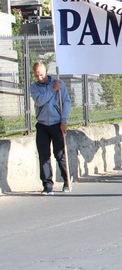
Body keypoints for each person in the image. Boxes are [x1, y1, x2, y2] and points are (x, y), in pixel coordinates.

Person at [31, 62, 71, 195]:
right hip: (42, 124)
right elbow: (39, 101)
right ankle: (47, 184)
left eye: (42, 74)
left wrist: (64, 120)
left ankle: (66, 178)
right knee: (44, 155)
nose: (40, 78)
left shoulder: (59, 83)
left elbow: (66, 102)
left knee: (59, 153)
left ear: (46, 72)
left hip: (57, 123)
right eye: (37, 75)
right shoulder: (34, 87)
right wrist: (53, 89)